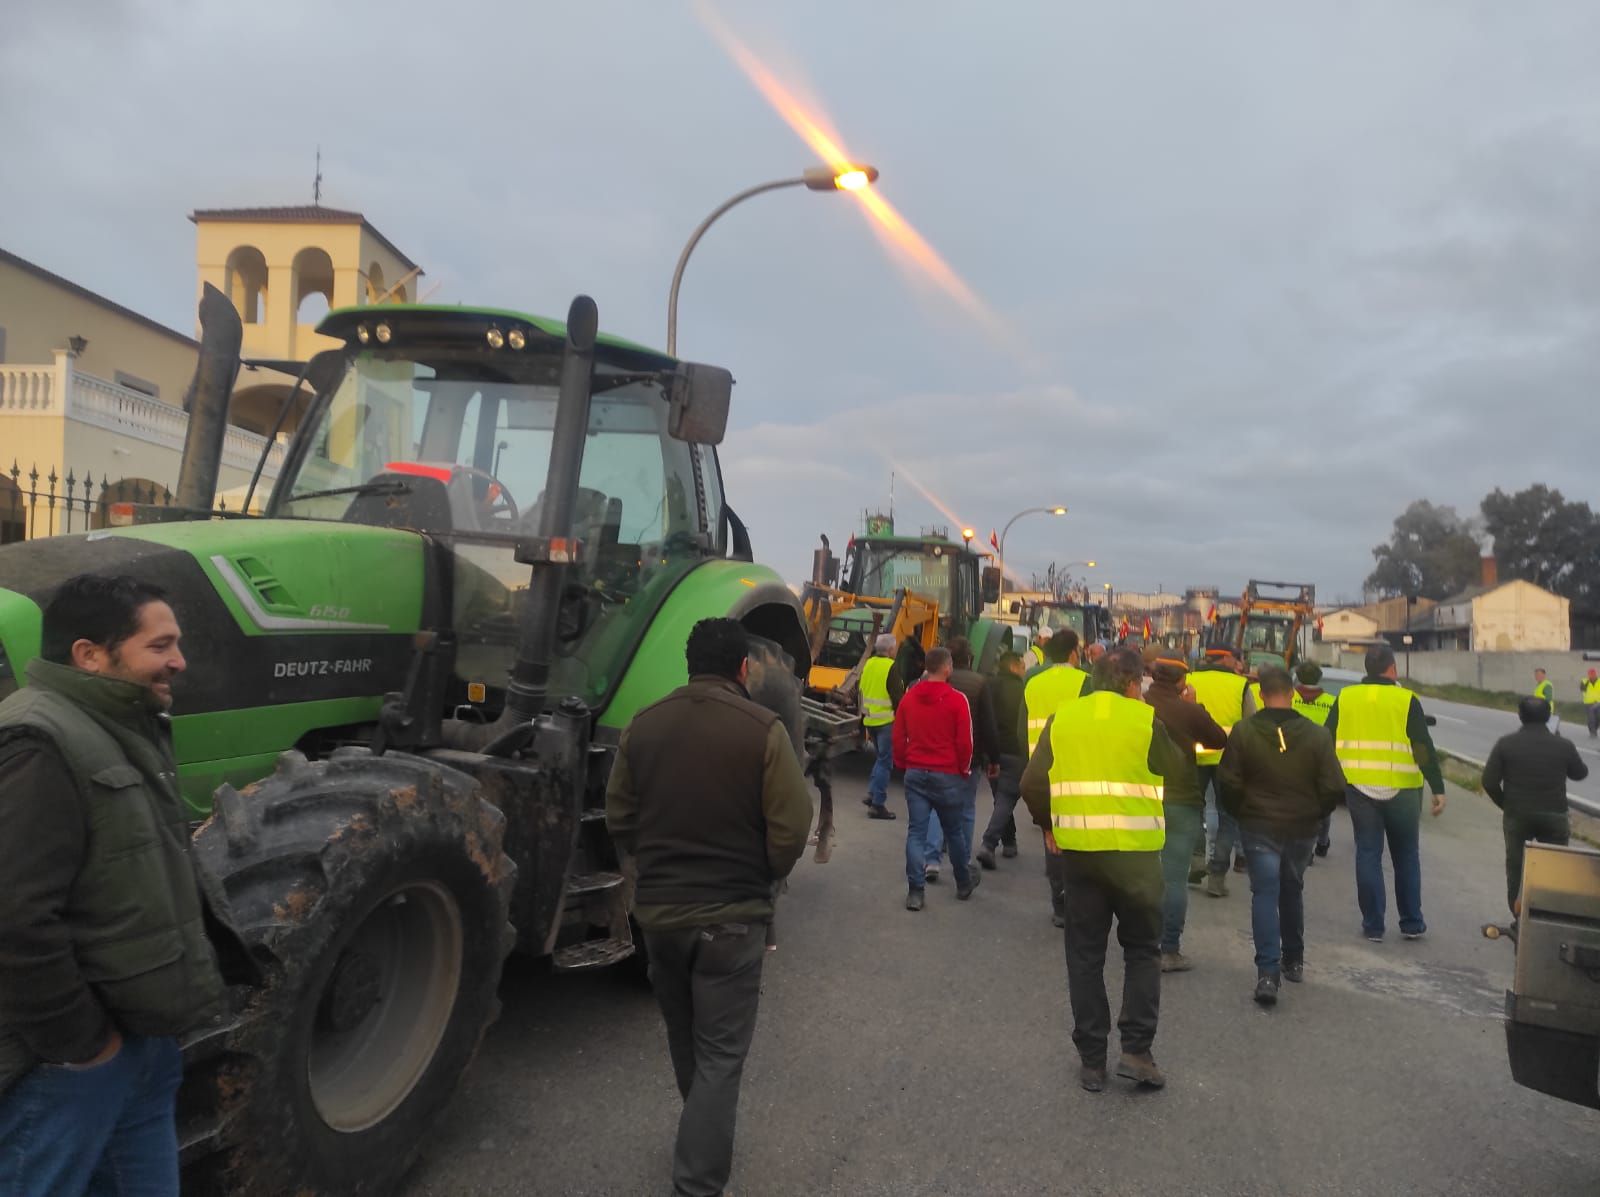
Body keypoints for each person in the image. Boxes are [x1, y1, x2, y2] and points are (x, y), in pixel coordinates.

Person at [0, 574, 241, 1197]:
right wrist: (83, 1045)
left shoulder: (125, 727)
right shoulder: (40, 741)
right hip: (67, 1065)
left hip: (140, 1045)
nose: (179, 661)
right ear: (90, 655)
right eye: (159, 646)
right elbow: (15, 916)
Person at [605, 617, 813, 1197]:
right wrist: (765, 875)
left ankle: (703, 1130)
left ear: (690, 665)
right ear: (744, 669)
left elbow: (618, 815)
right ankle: (697, 1180)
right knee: (721, 1053)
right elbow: (792, 828)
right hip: (732, 918)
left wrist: (652, 861)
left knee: (684, 1033)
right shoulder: (764, 729)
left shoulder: (644, 726)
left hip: (661, 916)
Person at [1022, 647, 1180, 1091]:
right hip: (1136, 858)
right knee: (1142, 950)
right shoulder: (1145, 722)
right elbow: (1175, 773)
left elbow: (1032, 782)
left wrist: (1049, 825)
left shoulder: (1064, 718)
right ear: (1133, 683)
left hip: (1082, 856)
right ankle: (1136, 1051)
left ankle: (1092, 1060)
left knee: (1085, 955)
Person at [1217, 666, 1345, 1005]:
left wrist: (1242, 809)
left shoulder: (1244, 732)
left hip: (1258, 824)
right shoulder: (1317, 735)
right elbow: (1334, 785)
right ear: (1291, 694)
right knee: (1292, 888)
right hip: (1302, 826)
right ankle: (1294, 959)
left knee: (1264, 893)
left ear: (1260, 695)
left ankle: (1268, 974)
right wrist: (1317, 814)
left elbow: (1227, 781)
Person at [1326, 644, 1447, 942]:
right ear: (1392, 669)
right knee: (1406, 856)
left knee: (1367, 854)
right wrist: (1437, 787)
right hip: (1403, 789)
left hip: (1359, 787)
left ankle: (1373, 925)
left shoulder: (1346, 698)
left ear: (1366, 669)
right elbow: (1421, 745)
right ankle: (1411, 923)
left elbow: (1326, 738)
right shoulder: (1406, 699)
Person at [1143, 653, 1229, 972]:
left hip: (1139, 799)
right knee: (1175, 876)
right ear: (1181, 683)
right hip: (1180, 798)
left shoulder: (1137, 703)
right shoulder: (1188, 710)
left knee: (1142, 874)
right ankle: (1168, 949)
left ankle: (1141, 943)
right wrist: (1197, 707)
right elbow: (1218, 739)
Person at [1483, 696, 1589, 915]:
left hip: (1517, 815)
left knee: (1516, 868)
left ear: (1520, 716)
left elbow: (1489, 782)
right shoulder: (1563, 745)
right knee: (1554, 866)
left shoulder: (1506, 743)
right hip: (1555, 815)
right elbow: (1580, 773)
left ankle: (1519, 916)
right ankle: (1549, 915)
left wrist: (1506, 805)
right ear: (1549, 717)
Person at [895, 647, 980, 909]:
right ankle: (963, 882)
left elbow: (899, 736)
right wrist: (963, 771)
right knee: (953, 831)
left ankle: (916, 892)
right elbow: (965, 743)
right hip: (947, 774)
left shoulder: (909, 698)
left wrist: (903, 764)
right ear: (947, 668)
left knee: (916, 833)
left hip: (916, 772)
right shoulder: (957, 700)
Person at [1020, 628, 1090, 926]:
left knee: (1052, 835)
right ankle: (1079, 897)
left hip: (1040, 765)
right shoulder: (1085, 681)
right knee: (1078, 831)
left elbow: (1021, 725)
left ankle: (1059, 900)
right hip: (1074, 764)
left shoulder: (1033, 681)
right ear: (1074, 652)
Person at [925, 638, 999, 881]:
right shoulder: (980, 683)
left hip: (938, 754)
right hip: (971, 757)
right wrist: (993, 758)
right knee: (966, 809)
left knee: (937, 807)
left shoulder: (937, 681)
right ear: (969, 658)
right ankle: (964, 859)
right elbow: (988, 724)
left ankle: (932, 860)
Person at [1190, 646, 1256, 896]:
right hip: (1229, 759)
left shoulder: (1191, 679)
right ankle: (1217, 876)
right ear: (1226, 658)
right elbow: (1250, 723)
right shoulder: (1239, 685)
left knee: (1193, 809)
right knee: (1228, 816)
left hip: (1193, 757)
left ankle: (1196, 860)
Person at [977, 651, 1027, 868]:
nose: (1025, 668)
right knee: (1005, 798)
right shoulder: (1024, 690)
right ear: (1014, 666)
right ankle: (989, 844)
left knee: (1001, 798)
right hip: (1014, 751)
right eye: (1023, 664)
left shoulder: (989, 685)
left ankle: (1009, 841)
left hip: (991, 751)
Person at [1292, 662, 1337, 857]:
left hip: (1292, 756)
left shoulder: (1288, 697)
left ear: (1298, 677)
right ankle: (1322, 841)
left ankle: (1303, 845)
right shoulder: (1332, 701)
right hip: (1321, 757)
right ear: (1319, 677)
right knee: (1322, 804)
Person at [860, 632, 899, 821]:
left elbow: (862, 689)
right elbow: (897, 696)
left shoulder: (869, 663)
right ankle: (878, 805)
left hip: (870, 720)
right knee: (886, 762)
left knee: (880, 759)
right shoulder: (891, 666)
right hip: (885, 721)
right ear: (891, 649)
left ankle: (871, 793)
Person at [1532, 668, 1560, 736]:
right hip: (1539, 710)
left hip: (1545, 710)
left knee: (1545, 729)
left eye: (1538, 674)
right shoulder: (1539, 685)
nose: (1536, 676)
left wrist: (1540, 705)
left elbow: (1548, 698)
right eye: (1535, 675)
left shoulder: (1547, 685)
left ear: (1544, 675)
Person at [1583, 667, 1600, 740]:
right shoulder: (1584, 681)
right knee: (1591, 718)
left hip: (1598, 703)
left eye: (1593, 674)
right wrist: (1587, 682)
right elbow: (1582, 689)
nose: (1592, 676)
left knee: (1598, 718)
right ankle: (1592, 732)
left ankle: (1594, 729)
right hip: (1588, 703)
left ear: (1596, 674)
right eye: (1590, 675)